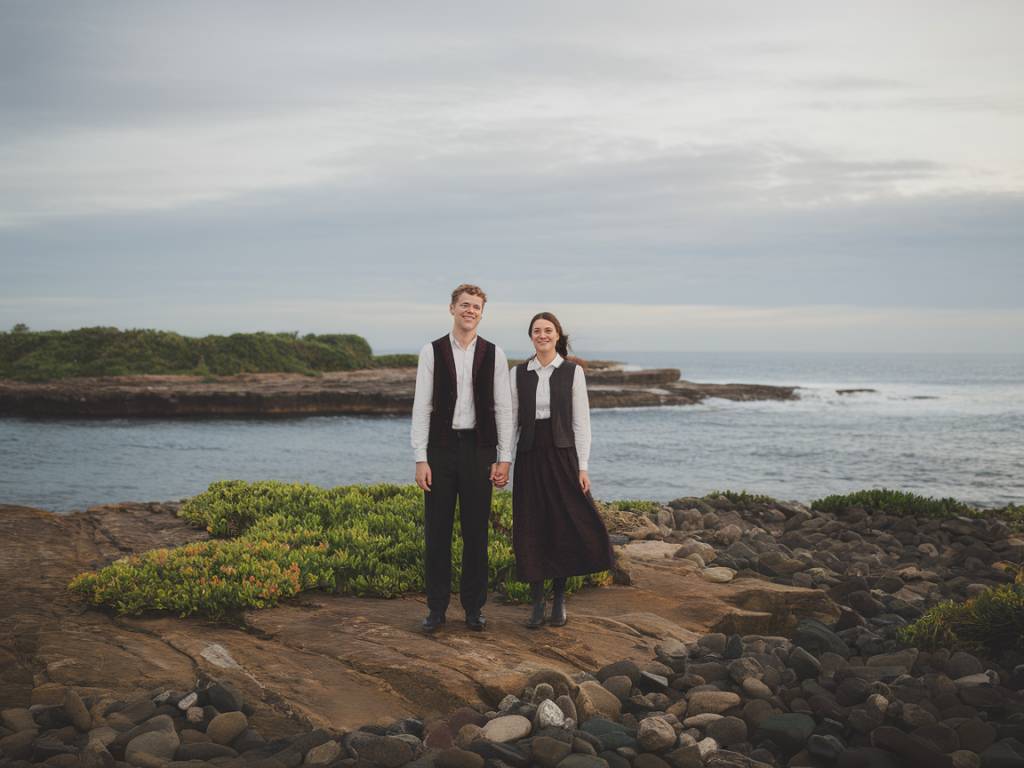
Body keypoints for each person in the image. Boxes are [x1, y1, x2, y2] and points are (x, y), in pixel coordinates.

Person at [411, 283, 513, 632]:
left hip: (479, 450)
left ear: (482, 313)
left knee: (476, 535)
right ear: (452, 308)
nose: (470, 311)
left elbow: (503, 407)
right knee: (436, 533)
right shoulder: (432, 351)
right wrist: (420, 458)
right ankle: (436, 610)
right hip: (440, 450)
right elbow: (422, 406)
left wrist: (504, 458)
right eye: (465, 305)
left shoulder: (495, 353)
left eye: (477, 307)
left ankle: (473, 608)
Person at [510, 311, 614, 628]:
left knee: (563, 524)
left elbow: (582, 423)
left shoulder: (572, 372)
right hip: (529, 455)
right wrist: (503, 459)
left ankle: (559, 600)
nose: (542, 335)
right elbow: (510, 420)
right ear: (531, 336)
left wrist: (583, 466)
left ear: (557, 335)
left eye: (548, 330)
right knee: (531, 526)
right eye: (537, 330)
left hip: (563, 455)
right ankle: (537, 602)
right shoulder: (518, 373)